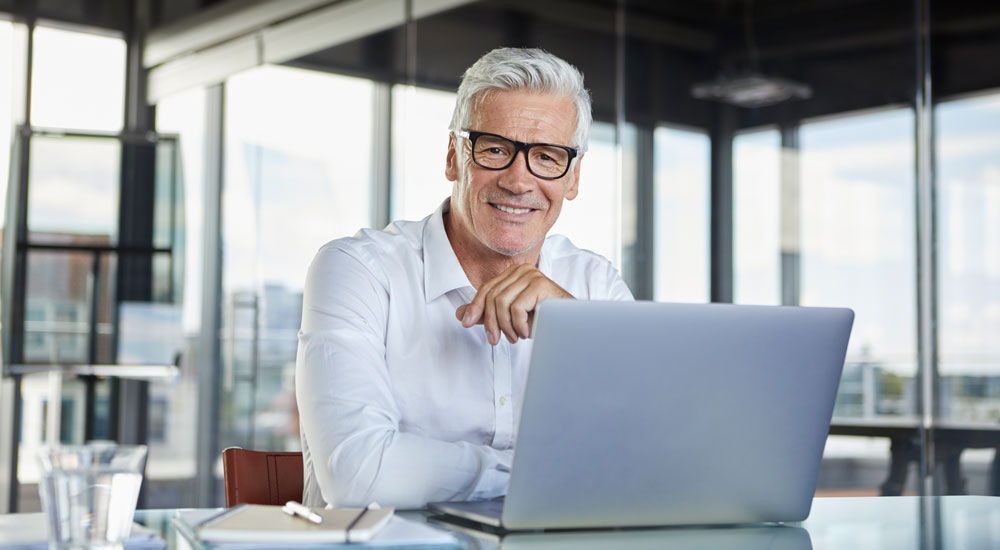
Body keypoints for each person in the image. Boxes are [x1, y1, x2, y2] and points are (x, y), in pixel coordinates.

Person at [295, 47, 633, 509]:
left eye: (548, 157)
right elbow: (358, 475)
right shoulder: (359, 270)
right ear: (454, 156)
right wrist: (542, 470)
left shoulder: (593, 284)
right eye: (496, 149)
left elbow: (653, 453)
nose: (519, 181)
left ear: (572, 177)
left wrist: (576, 330)